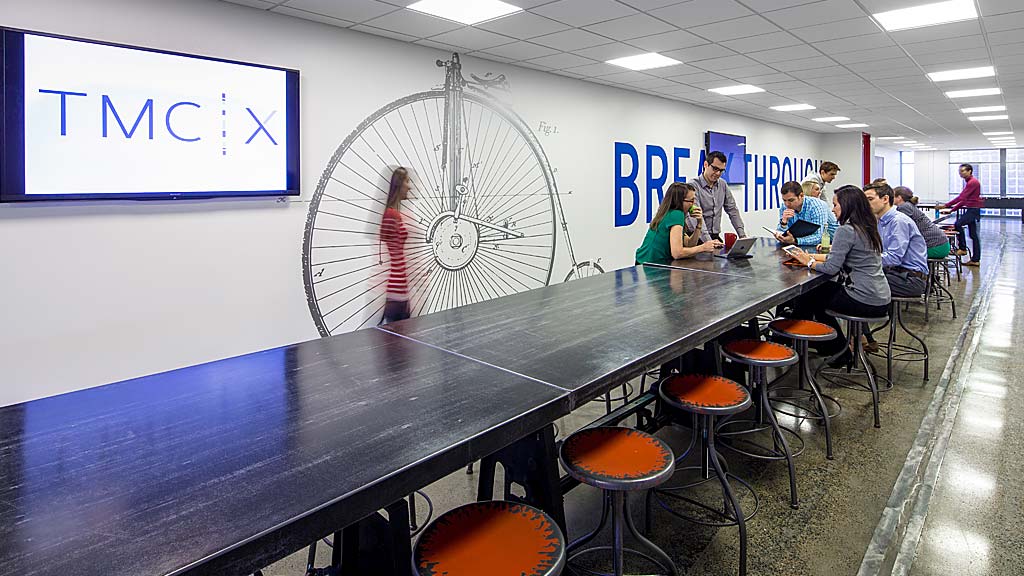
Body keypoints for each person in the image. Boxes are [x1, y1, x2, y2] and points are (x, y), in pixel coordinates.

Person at [786, 185, 891, 363]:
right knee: (819, 297)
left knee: (808, 296)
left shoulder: (846, 230)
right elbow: (838, 255)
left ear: (847, 205)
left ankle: (796, 342)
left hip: (863, 298)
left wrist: (809, 262)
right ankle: (828, 347)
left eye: (835, 205)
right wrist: (808, 255)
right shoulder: (866, 226)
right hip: (880, 297)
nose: (832, 209)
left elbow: (831, 268)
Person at [864, 182, 929, 298]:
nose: (866, 204)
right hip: (896, 273)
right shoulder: (880, 221)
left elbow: (894, 258)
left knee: (859, 280)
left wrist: (863, 259)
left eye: (870, 199)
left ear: (885, 199)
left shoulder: (898, 222)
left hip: (910, 280)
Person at [636, 182, 722, 264]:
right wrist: (703, 247)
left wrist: (699, 224)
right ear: (680, 201)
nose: (693, 205)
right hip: (648, 264)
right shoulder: (676, 215)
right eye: (691, 201)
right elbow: (677, 253)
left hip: (645, 261)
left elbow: (688, 244)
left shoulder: (670, 213)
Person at [380, 167, 413, 323]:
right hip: (396, 293)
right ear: (399, 184)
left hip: (399, 292)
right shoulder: (391, 214)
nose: (409, 186)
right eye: (407, 181)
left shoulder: (394, 214)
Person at [937, 163, 984, 267]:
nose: (960, 173)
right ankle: (975, 260)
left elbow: (961, 198)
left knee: (958, 224)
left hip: (973, 210)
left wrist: (947, 205)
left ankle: (962, 248)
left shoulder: (972, 182)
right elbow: (964, 200)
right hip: (972, 209)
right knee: (973, 235)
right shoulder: (969, 182)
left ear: (970, 171)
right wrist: (951, 210)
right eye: (959, 171)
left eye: (963, 171)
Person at [694, 150, 746, 241]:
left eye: (721, 170)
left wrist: (743, 236)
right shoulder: (693, 186)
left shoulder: (722, 184)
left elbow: (732, 210)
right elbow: (696, 217)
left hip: (715, 236)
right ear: (706, 165)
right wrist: (708, 242)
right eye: (715, 169)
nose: (718, 173)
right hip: (696, 237)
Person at [893, 186, 951, 259]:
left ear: (899, 197)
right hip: (941, 244)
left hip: (935, 247)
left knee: (901, 256)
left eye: (893, 196)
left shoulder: (904, 207)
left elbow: (902, 228)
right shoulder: (909, 205)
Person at [774, 180, 835, 246]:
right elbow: (783, 233)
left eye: (791, 200)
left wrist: (795, 240)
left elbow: (818, 237)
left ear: (801, 195)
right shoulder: (784, 207)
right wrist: (783, 223)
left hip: (832, 242)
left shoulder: (816, 206)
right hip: (804, 242)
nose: (787, 204)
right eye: (784, 200)